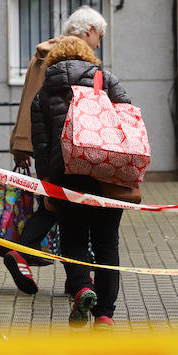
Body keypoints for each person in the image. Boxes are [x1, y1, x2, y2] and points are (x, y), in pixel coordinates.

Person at [3, 6, 107, 295]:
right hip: (68, 147)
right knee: (63, 207)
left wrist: (21, 141)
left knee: (60, 206)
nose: (98, 43)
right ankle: (31, 256)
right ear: (88, 31)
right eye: (99, 35)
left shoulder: (44, 52)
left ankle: (74, 278)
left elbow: (29, 101)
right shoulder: (69, 57)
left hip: (45, 144)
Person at [31, 36, 129, 331]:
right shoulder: (107, 80)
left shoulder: (44, 92)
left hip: (66, 175)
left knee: (73, 239)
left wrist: (47, 185)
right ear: (88, 56)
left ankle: (82, 287)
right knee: (106, 245)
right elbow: (130, 123)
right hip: (107, 173)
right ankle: (104, 315)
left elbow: (42, 145)